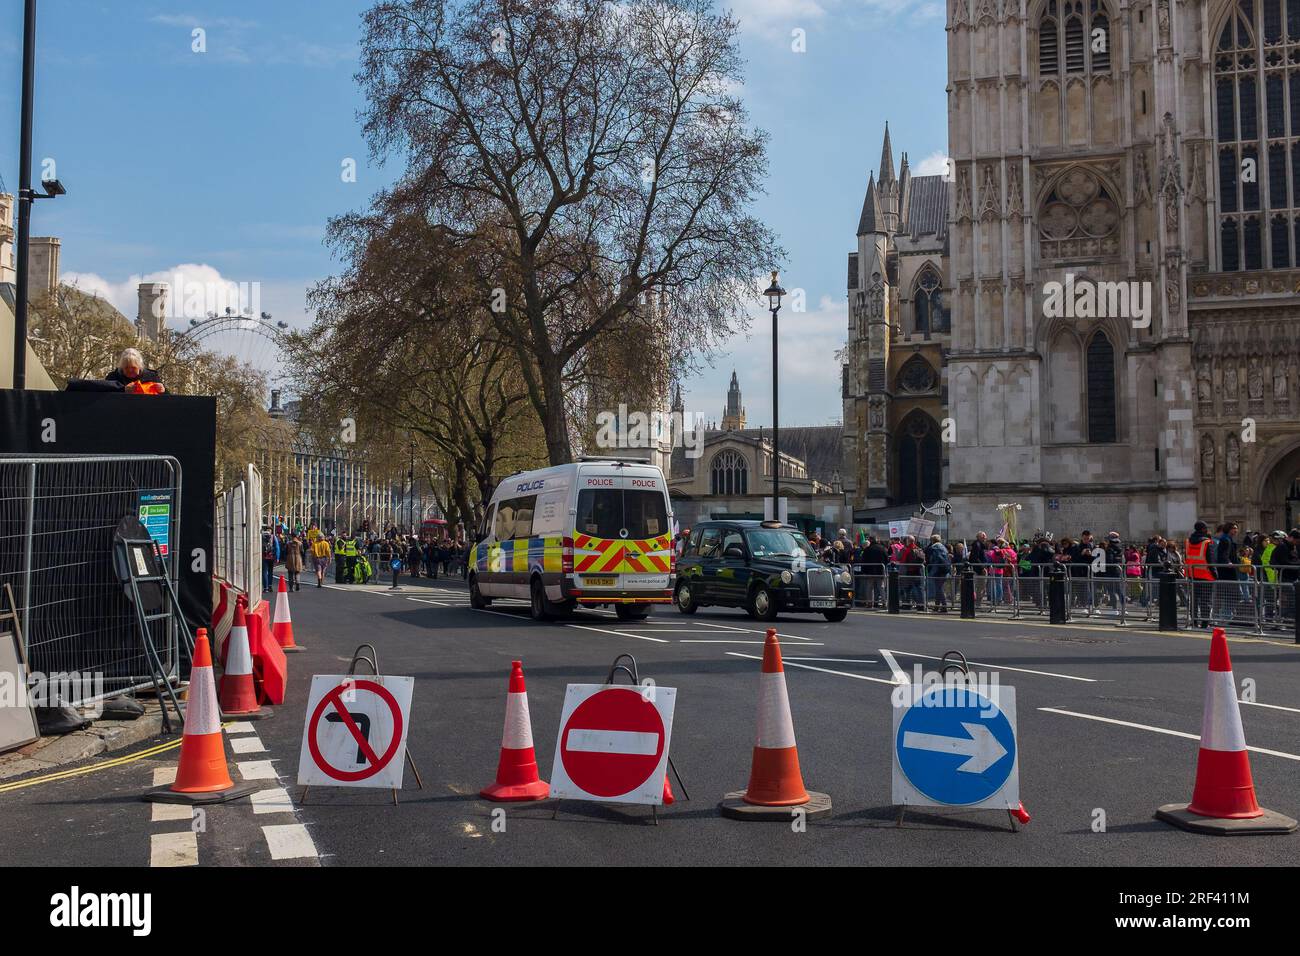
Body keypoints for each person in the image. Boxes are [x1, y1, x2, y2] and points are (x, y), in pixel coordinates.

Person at [923, 533, 950, 612]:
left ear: (932, 540)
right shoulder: (943, 547)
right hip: (945, 570)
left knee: (938, 588)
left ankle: (944, 605)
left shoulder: (933, 548)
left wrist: (928, 565)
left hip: (937, 570)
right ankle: (937, 606)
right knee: (939, 588)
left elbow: (931, 559)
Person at [860, 535, 889, 608]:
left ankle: (870, 603)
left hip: (870, 571)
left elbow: (863, 561)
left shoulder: (867, 549)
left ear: (870, 540)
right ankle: (884, 603)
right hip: (880, 571)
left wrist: (864, 571)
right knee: (881, 587)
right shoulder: (882, 548)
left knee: (869, 588)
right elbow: (887, 559)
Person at [261, 526, 280, 593]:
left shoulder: (262, 537)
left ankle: (265, 588)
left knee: (264, 572)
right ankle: (270, 586)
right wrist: (277, 557)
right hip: (271, 557)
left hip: (264, 557)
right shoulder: (273, 537)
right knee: (270, 572)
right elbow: (277, 547)